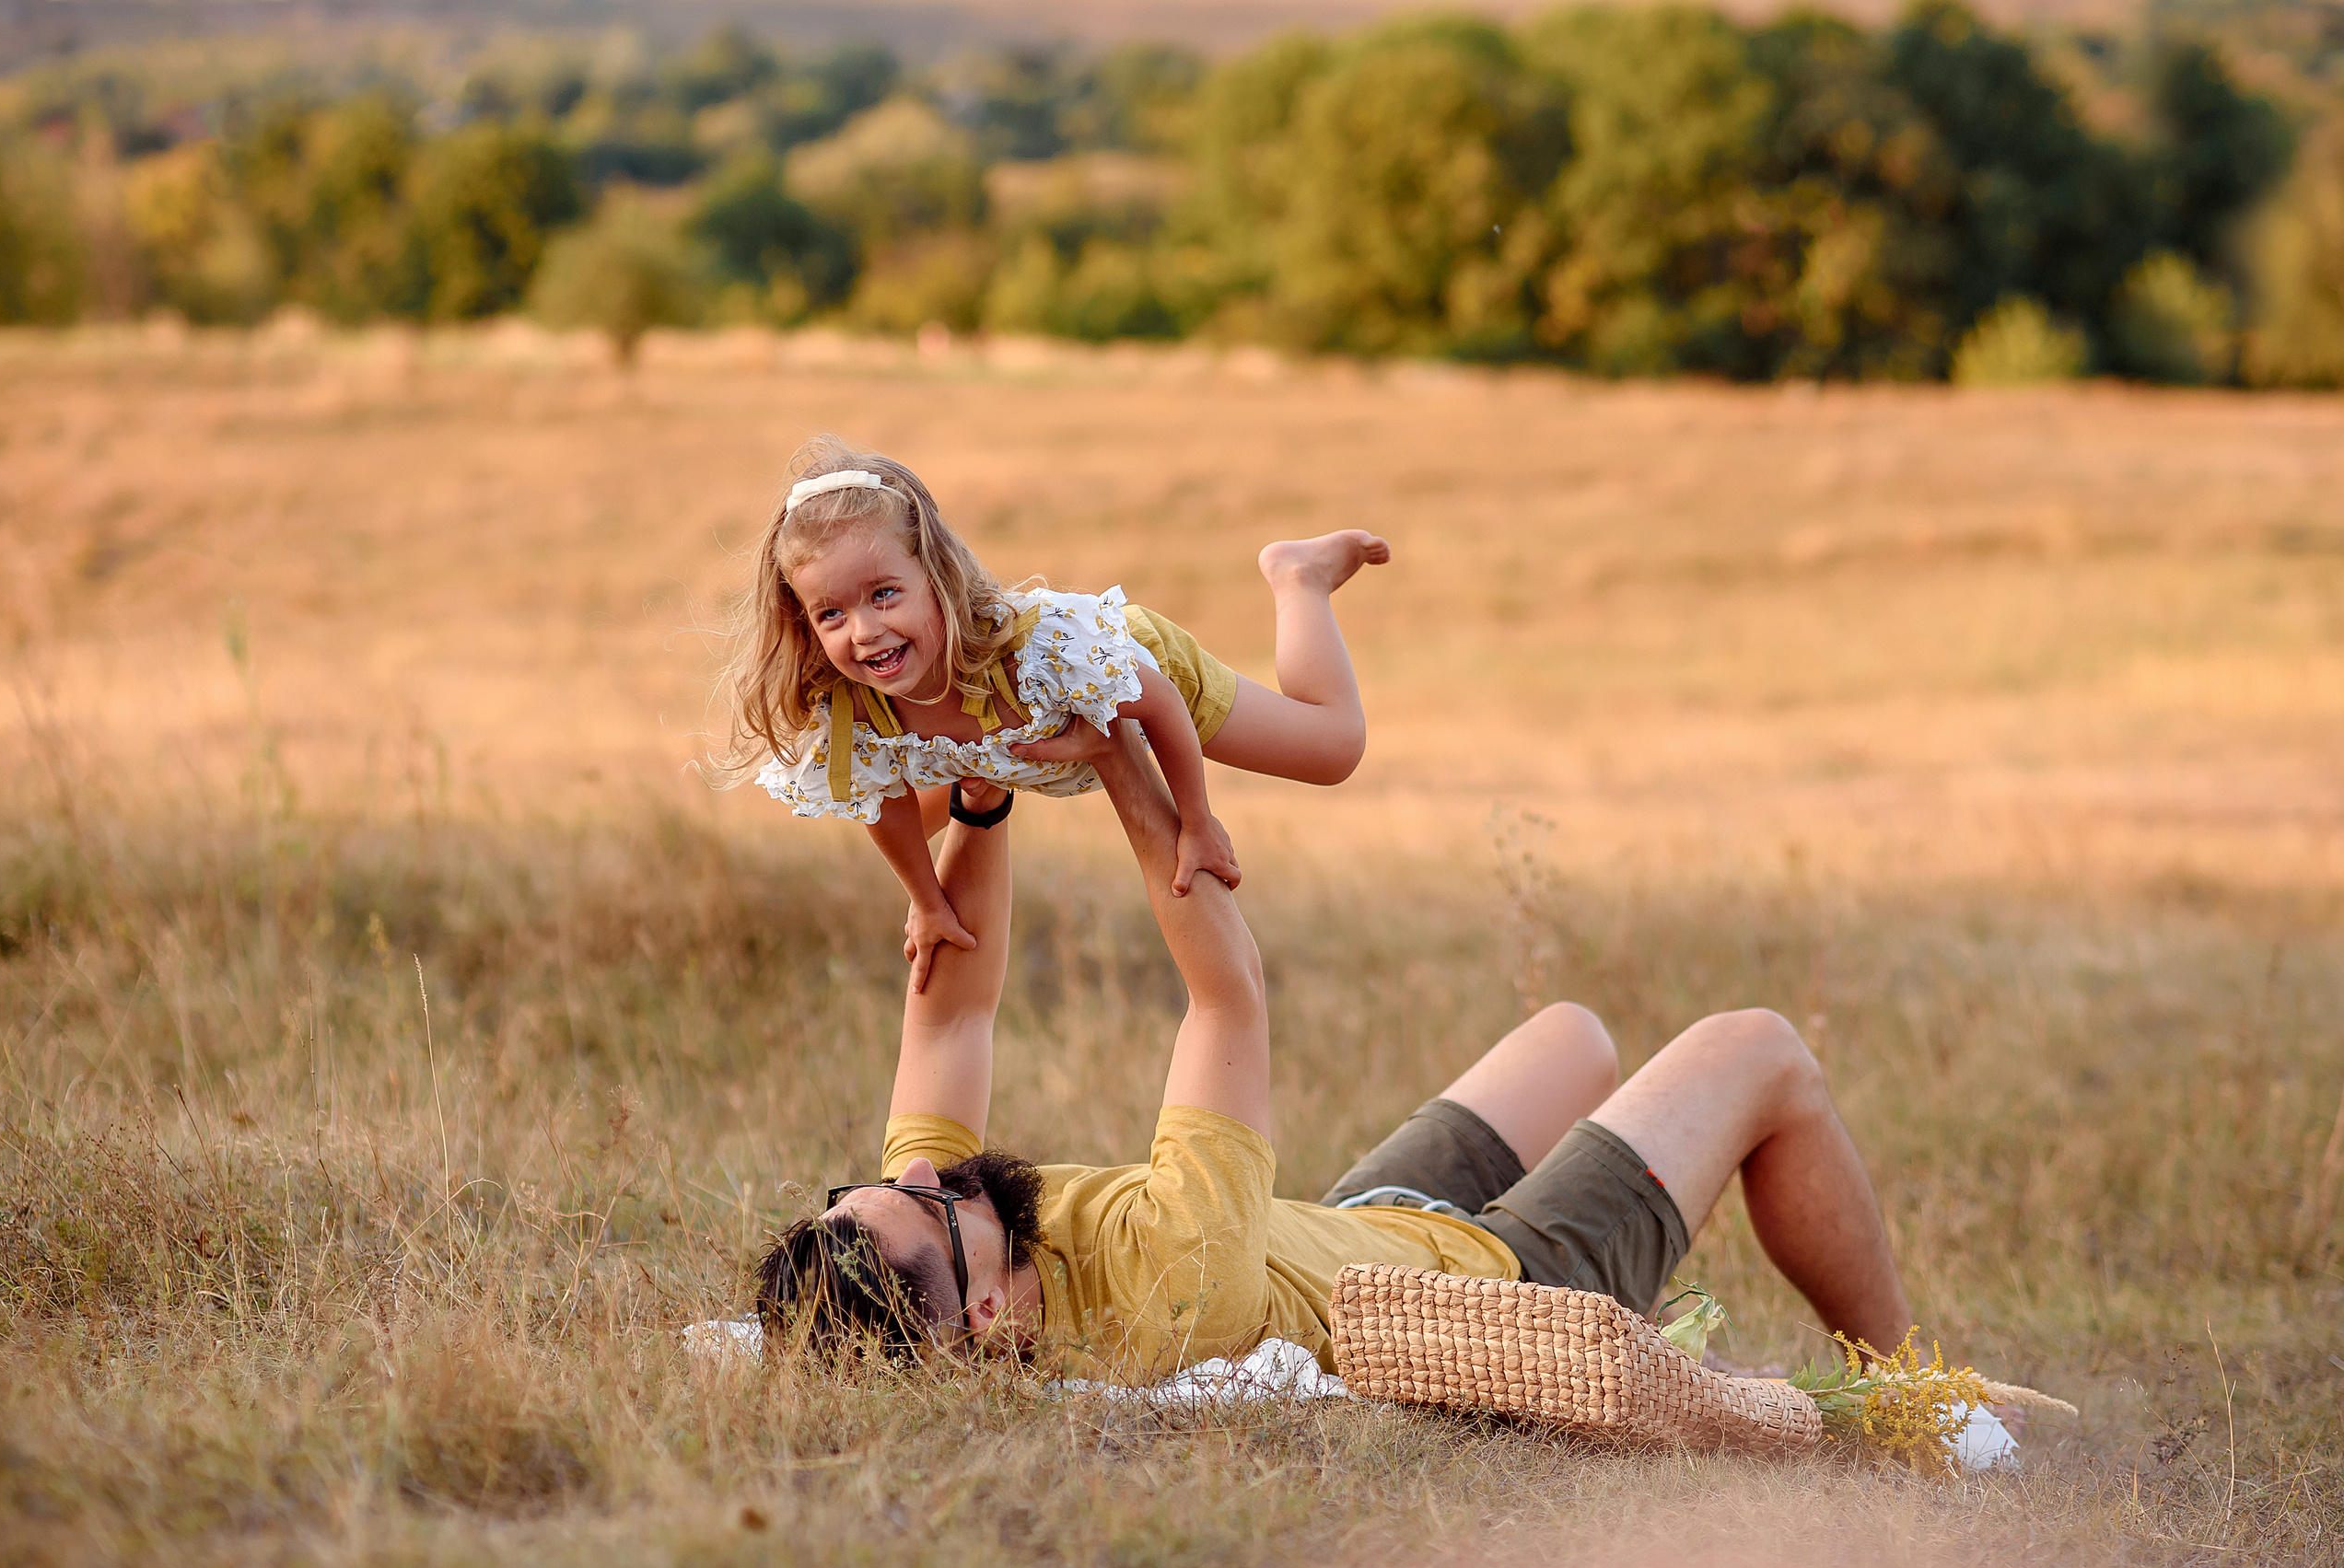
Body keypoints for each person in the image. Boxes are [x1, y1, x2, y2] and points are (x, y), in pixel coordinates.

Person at [756, 717, 1915, 1381]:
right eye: (924, 1205)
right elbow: (1226, 998)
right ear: (985, 1321)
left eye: (865, 1187)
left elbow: (948, 1015)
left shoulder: (949, 1229)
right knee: (1758, 1048)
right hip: (1504, 1286)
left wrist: (979, 802)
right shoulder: (1174, 1279)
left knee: (1574, 1035)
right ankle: (1914, 1392)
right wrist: (1124, 764)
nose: (918, 1171)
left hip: (1356, 1229)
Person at [711, 433, 1391, 992]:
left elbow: (1155, 702)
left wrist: (1198, 822)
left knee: (1333, 749)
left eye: (885, 594)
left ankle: (1299, 577)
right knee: (894, 796)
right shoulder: (852, 705)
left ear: (937, 578)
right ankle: (975, 775)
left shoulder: (1041, 653)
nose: (864, 631)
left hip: (1144, 675)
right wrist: (928, 901)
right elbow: (881, 803)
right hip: (1001, 749)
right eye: (832, 612)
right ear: (804, 620)